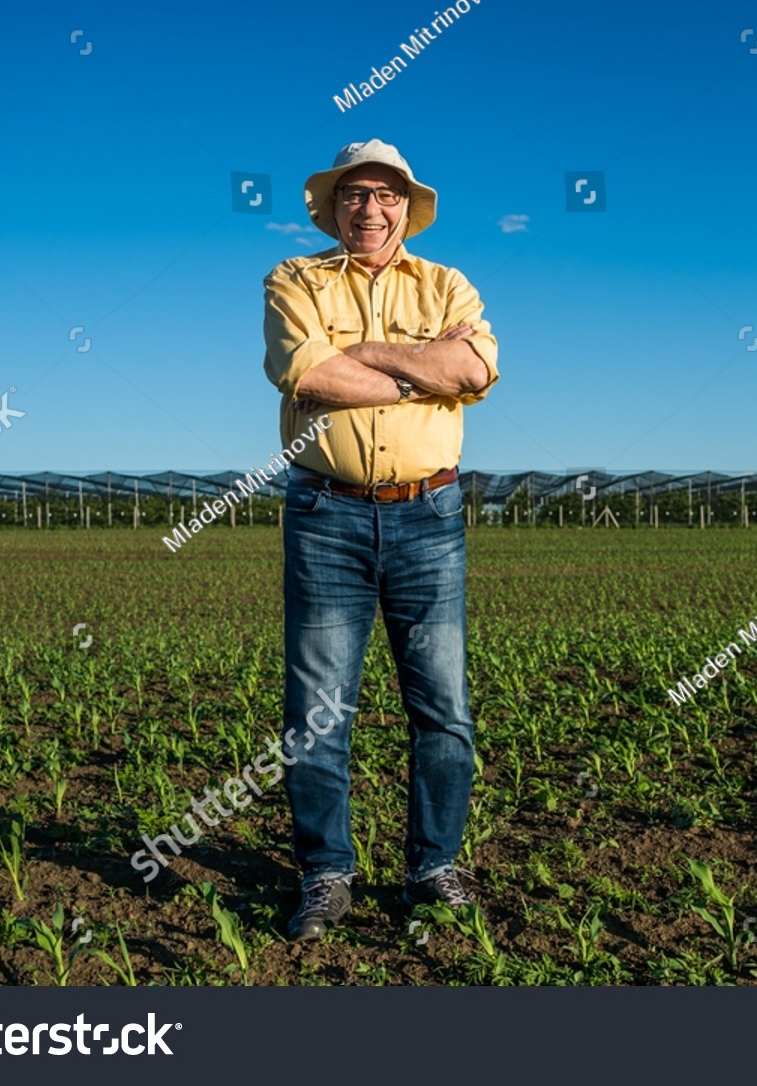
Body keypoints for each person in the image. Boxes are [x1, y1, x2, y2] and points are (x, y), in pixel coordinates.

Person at [262, 139, 499, 942]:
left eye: (385, 194)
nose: (370, 208)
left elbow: (472, 370)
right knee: (318, 709)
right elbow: (309, 374)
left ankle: (434, 867)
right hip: (325, 512)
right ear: (333, 207)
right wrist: (413, 374)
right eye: (354, 194)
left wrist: (363, 355)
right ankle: (327, 873)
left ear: (406, 206)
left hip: (427, 516)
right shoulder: (294, 280)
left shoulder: (448, 283)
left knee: (443, 707)